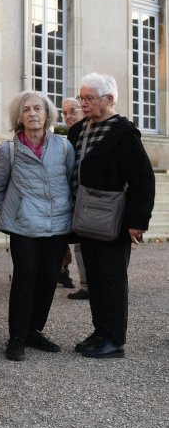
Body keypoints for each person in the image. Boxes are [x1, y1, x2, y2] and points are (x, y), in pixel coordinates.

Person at [69, 73, 155, 359]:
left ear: (109, 99)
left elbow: (143, 179)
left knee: (112, 279)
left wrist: (137, 222)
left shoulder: (123, 133)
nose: (83, 103)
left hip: (114, 219)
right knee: (94, 277)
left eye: (89, 98)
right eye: (81, 97)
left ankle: (114, 340)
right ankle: (100, 332)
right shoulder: (79, 130)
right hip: (85, 217)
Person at [0, 91, 74, 362]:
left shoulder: (63, 147)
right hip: (24, 225)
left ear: (48, 115)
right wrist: (13, 214)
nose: (33, 114)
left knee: (49, 280)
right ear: (19, 117)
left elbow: (71, 181)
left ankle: (33, 331)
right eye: (26, 110)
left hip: (58, 224)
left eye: (38, 109)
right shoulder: (8, 149)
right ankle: (16, 337)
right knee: (25, 279)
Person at [61, 97, 90, 299]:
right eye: (64, 113)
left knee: (83, 244)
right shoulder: (70, 133)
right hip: (68, 195)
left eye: (73, 111)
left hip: (86, 197)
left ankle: (88, 285)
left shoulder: (84, 130)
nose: (68, 116)